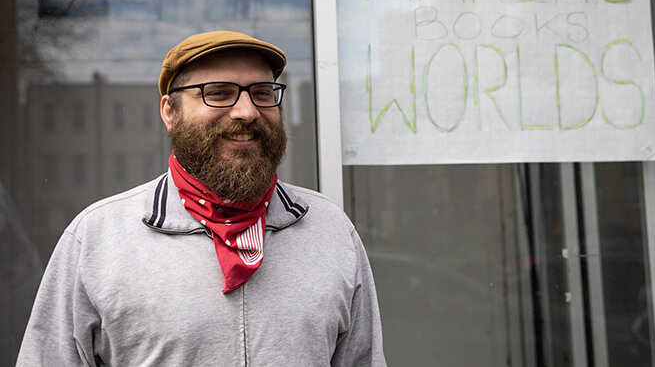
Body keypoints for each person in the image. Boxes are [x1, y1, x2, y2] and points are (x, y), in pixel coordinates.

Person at [17, 31, 386, 366]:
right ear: (169, 112)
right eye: (219, 92)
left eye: (262, 93)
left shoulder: (332, 232)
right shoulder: (97, 239)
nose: (247, 111)